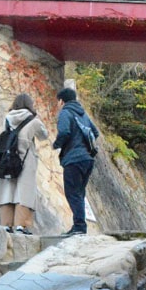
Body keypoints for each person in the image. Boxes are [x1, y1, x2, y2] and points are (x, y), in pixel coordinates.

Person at [0, 93, 48, 235]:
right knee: (24, 192)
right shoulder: (33, 121)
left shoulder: (8, 118)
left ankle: (6, 225)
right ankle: (21, 226)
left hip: (8, 159)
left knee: (7, 191)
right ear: (30, 104)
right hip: (25, 160)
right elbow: (43, 135)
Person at [53, 87, 99, 236]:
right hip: (87, 159)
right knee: (79, 193)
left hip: (74, 159)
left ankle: (79, 227)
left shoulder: (65, 112)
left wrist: (56, 144)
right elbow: (95, 133)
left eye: (58, 101)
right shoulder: (83, 114)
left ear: (61, 100)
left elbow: (65, 132)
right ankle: (79, 226)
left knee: (72, 193)